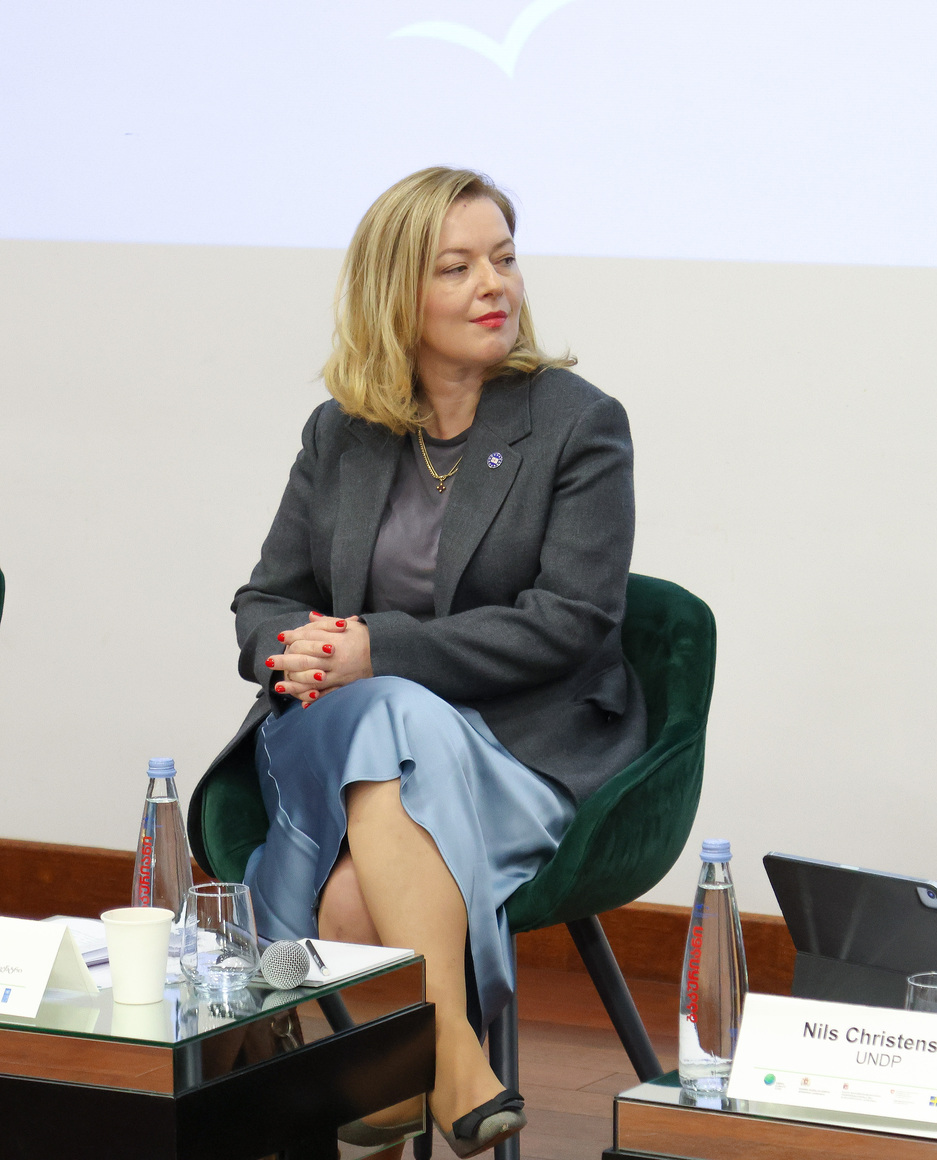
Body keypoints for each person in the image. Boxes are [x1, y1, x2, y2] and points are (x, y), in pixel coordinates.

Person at [201, 167, 646, 1158]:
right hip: (336, 739)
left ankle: (382, 1093)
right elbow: (264, 599)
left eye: (504, 258)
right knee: (384, 707)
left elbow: (572, 621)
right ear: (395, 294)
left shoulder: (577, 423)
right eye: (457, 267)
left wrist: (379, 652)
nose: (495, 285)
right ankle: (448, 1054)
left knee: (354, 890)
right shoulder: (341, 432)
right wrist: (308, 652)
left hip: (514, 746)